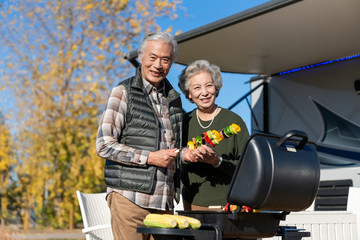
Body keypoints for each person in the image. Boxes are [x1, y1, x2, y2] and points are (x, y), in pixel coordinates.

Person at [96, 32, 185, 240]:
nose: (158, 65)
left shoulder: (174, 100)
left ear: (171, 63)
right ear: (142, 57)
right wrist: (150, 157)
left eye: (165, 59)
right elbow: (104, 145)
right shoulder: (122, 92)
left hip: (164, 204)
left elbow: (175, 148)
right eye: (152, 57)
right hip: (129, 200)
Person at [179, 60, 250, 211]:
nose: (204, 92)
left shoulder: (234, 121)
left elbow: (249, 167)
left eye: (209, 85)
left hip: (230, 204)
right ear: (189, 94)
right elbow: (172, 158)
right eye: (197, 87)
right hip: (192, 203)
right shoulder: (183, 122)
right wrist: (185, 157)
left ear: (216, 87)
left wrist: (218, 161)